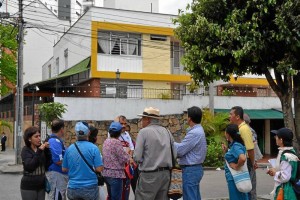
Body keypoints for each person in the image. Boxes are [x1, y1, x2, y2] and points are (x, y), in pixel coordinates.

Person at [134, 107, 174, 200]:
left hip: (149, 175)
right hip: (165, 174)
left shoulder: (144, 132)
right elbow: (174, 154)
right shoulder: (167, 131)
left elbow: (137, 157)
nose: (141, 121)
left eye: (142, 119)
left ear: (148, 119)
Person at [62, 121, 103, 200]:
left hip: (73, 187)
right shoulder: (94, 148)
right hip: (90, 187)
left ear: (76, 134)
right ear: (88, 133)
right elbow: (99, 169)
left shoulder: (69, 149)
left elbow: (64, 169)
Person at [174, 106, 207, 200]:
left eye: (187, 116)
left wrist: (170, 142)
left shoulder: (194, 133)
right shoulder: (197, 130)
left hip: (190, 170)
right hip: (194, 169)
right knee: (194, 196)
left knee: (190, 197)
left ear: (190, 118)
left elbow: (180, 151)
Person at [229, 106, 256, 200]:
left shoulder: (244, 129)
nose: (229, 116)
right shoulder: (238, 128)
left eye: (231, 114)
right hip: (242, 161)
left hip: (246, 161)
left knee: (248, 188)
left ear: (237, 117)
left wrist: (252, 163)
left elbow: (250, 149)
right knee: (242, 187)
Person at [20, 126, 51, 200]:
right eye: (36, 136)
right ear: (29, 139)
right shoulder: (26, 150)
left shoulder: (41, 148)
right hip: (29, 186)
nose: (39, 138)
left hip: (41, 185)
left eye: (39, 136)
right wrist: (40, 151)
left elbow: (46, 165)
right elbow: (30, 167)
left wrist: (47, 151)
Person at [267, 128, 299, 200]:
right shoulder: (288, 151)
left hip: (286, 190)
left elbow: (285, 177)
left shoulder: (286, 156)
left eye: (277, 136)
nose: (275, 138)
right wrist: (274, 171)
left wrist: (275, 173)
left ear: (281, 140)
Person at [102, 122, 131, 200]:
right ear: (119, 132)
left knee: (111, 196)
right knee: (116, 198)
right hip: (116, 174)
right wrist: (128, 154)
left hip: (106, 173)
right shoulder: (117, 143)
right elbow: (123, 158)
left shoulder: (106, 142)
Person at [222, 124, 249, 200]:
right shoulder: (235, 145)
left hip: (235, 177)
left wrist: (236, 166)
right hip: (236, 177)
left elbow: (242, 158)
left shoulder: (236, 146)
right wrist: (226, 151)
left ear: (228, 134)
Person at [46, 119, 68, 200]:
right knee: (56, 196)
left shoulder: (57, 140)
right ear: (62, 129)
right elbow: (58, 161)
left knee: (60, 196)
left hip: (59, 175)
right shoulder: (54, 141)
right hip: (57, 175)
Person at [113, 115, 134, 200]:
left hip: (126, 167)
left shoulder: (127, 134)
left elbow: (132, 148)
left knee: (126, 190)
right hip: (116, 168)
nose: (124, 126)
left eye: (125, 124)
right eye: (121, 123)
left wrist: (129, 158)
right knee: (116, 192)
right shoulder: (112, 134)